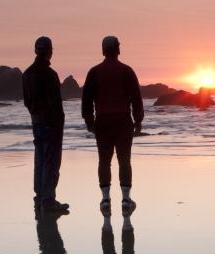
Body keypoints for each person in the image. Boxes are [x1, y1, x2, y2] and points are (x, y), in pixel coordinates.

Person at [81, 36, 143, 214]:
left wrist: (89, 120)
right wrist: (138, 120)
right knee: (124, 160)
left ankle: (105, 199)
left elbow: (87, 100)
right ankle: (125, 199)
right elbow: (136, 98)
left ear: (103, 50)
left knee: (104, 161)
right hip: (123, 121)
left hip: (103, 121)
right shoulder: (126, 71)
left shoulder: (94, 72)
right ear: (118, 50)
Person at [22, 36, 69, 213]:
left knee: (40, 161)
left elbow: (27, 101)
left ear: (36, 51)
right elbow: (55, 102)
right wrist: (59, 121)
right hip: (52, 124)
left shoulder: (27, 74)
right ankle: (48, 200)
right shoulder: (50, 75)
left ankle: (40, 198)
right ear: (50, 52)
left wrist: (36, 115)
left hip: (37, 122)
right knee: (51, 162)